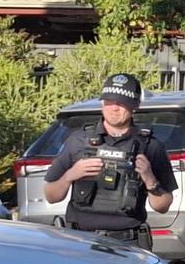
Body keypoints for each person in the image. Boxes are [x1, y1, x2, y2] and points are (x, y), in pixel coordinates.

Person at [44, 73, 177, 249]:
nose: (114, 108)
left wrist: (149, 178)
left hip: (128, 243)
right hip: (80, 241)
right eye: (109, 101)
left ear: (135, 105)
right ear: (102, 103)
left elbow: (163, 206)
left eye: (121, 103)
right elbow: (51, 196)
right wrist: (70, 175)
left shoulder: (150, 146)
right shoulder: (78, 140)